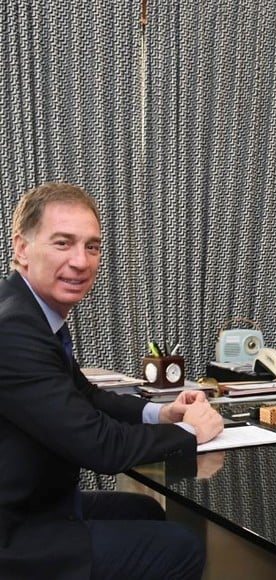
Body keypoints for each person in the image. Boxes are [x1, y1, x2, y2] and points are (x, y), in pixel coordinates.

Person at [0, 182, 225, 579]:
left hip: (32, 503)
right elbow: (97, 445)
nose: (81, 262)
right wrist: (190, 434)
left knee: (147, 510)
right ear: (22, 249)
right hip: (17, 534)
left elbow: (85, 397)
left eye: (92, 247)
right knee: (182, 547)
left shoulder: (29, 310)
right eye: (63, 243)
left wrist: (163, 413)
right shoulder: (15, 328)